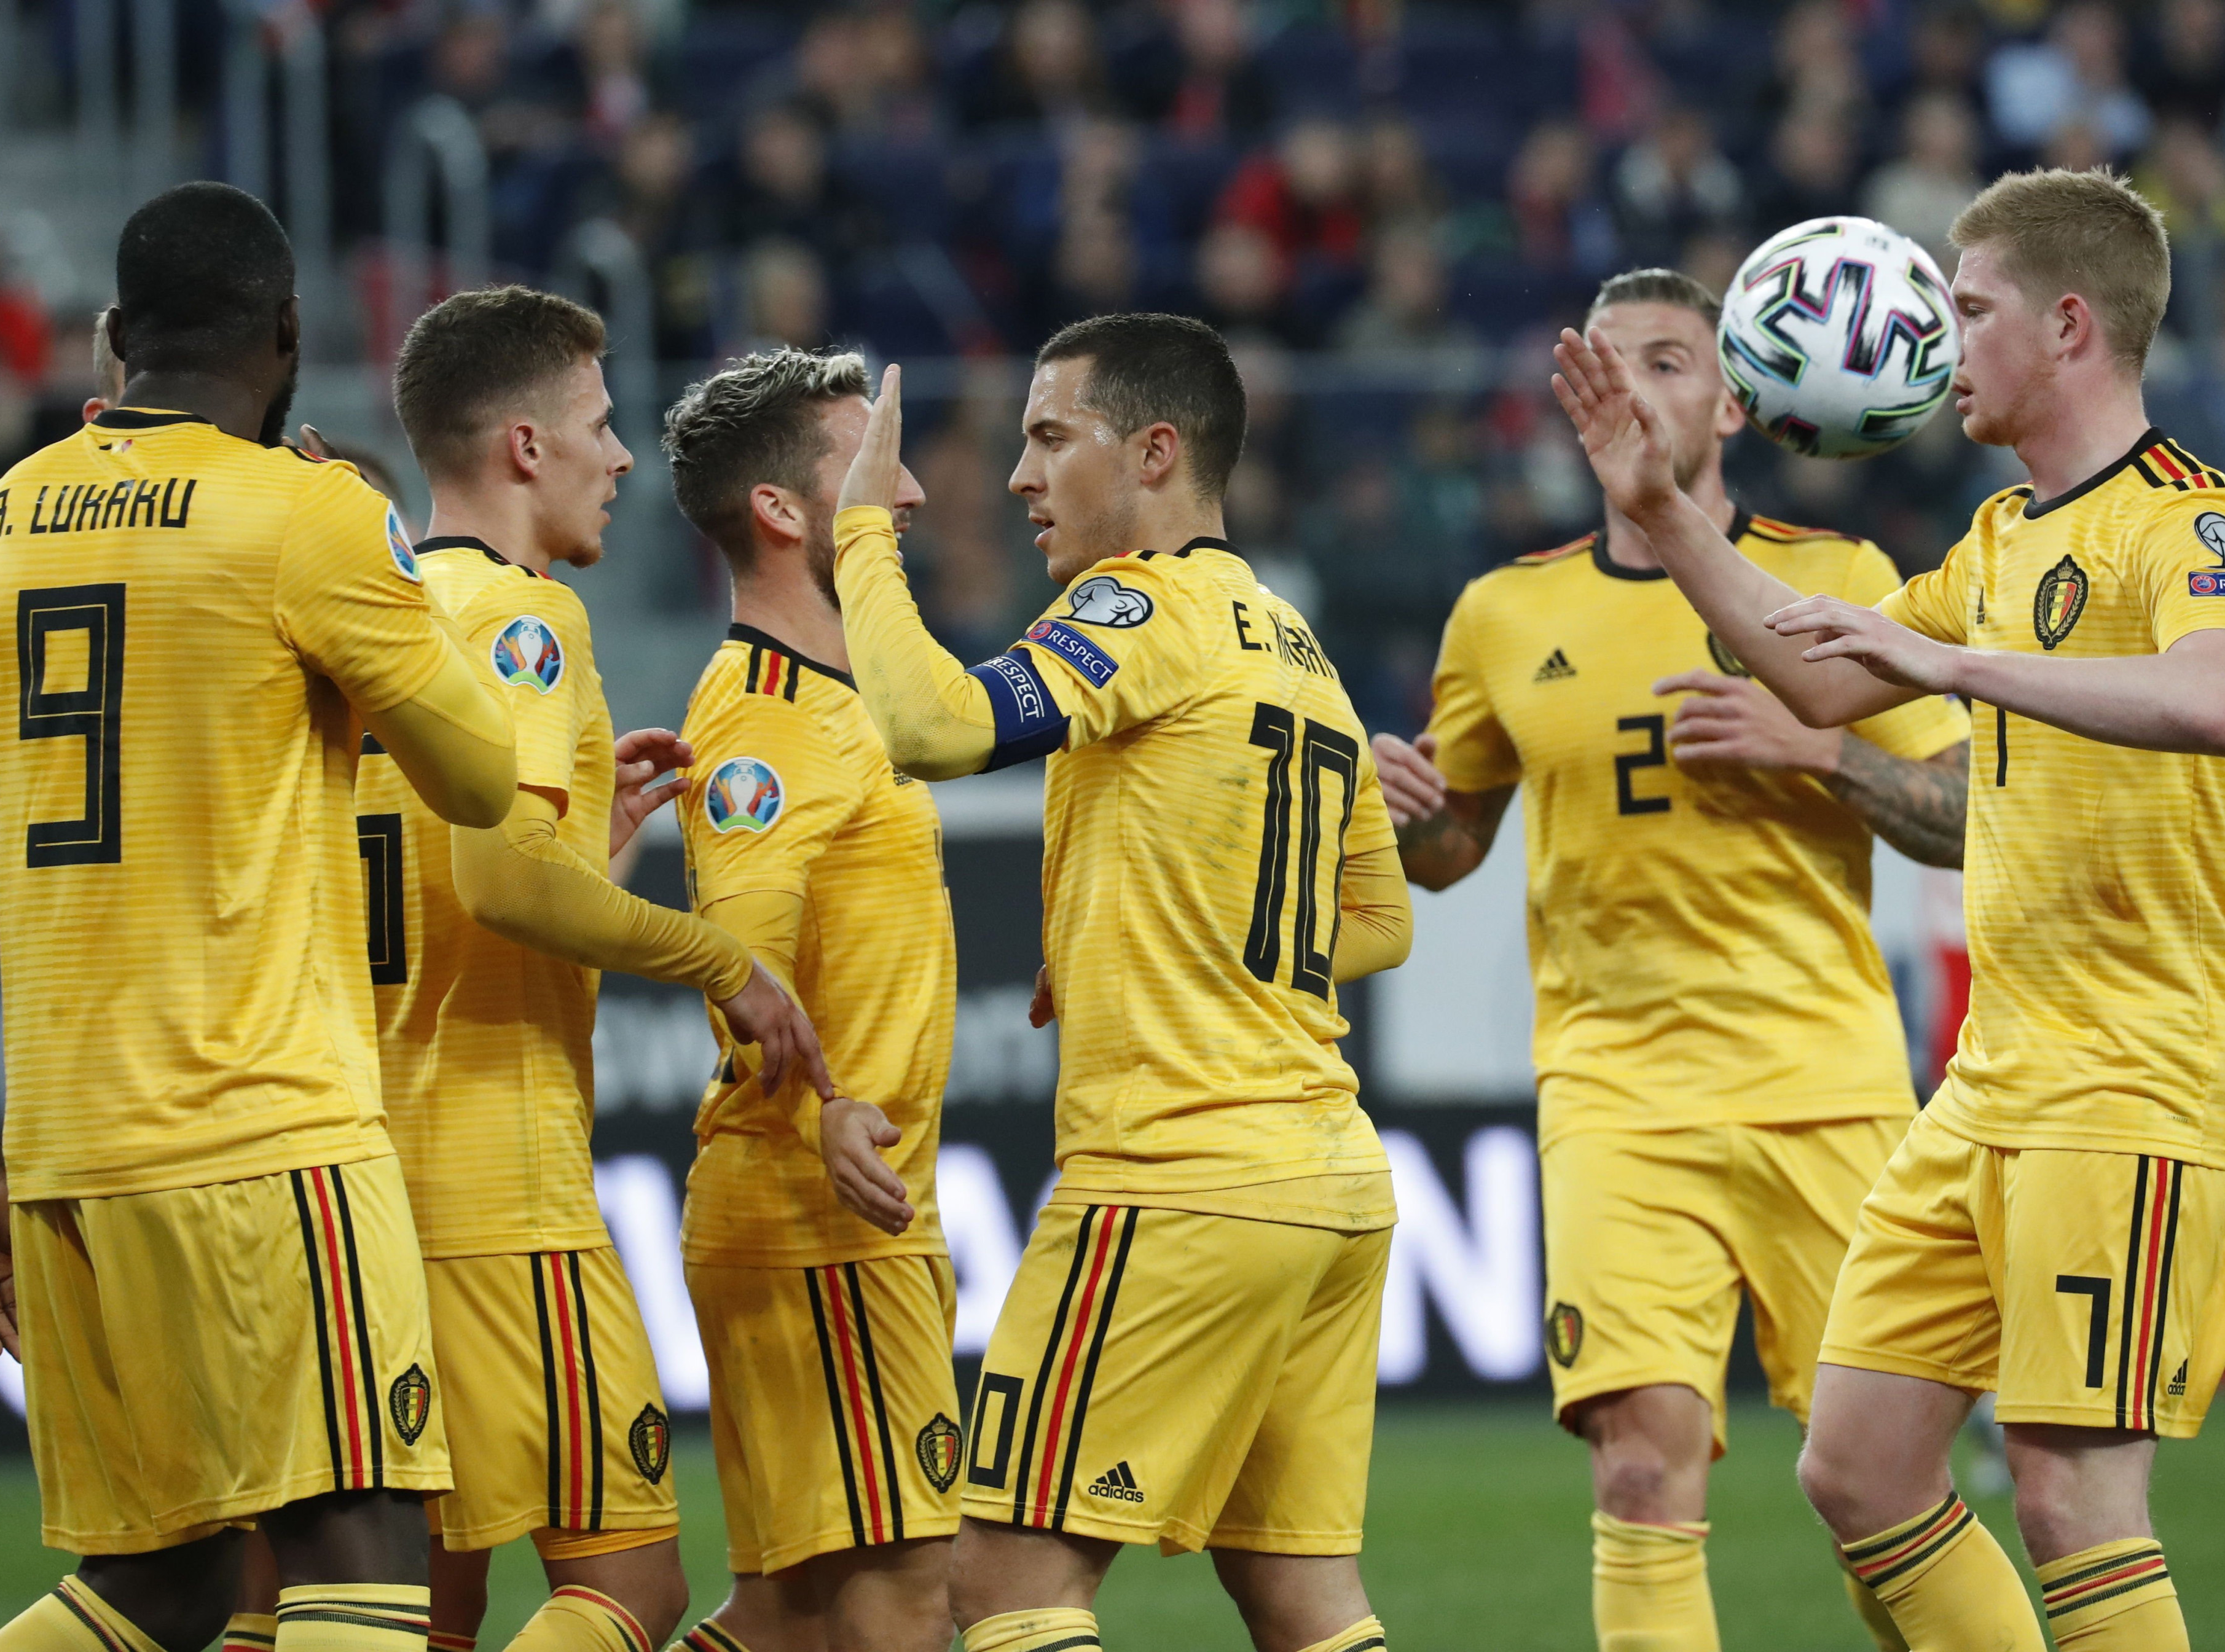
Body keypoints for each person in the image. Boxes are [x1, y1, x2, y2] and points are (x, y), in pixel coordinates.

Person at [1552, 166, 2225, 1652]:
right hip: (1992, 1076)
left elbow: (2218, 700)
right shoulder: (2003, 538)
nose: (1937, 342)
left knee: (2073, 1498)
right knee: (1858, 1466)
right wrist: (1667, 516)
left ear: (2066, 326)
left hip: (2128, 1072)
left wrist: (1959, 669)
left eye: (1967, 308)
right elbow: (1817, 676)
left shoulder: (2186, 520)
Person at [0, 181, 520, 1652]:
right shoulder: (305, 518)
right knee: (362, 1544)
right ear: (291, 334)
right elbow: (485, 774)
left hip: (62, 1153)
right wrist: (387, 570)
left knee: (162, 1583)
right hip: (258, 1129)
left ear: (113, 339)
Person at [212, 288, 831, 1652]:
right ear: (521, 447)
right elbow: (500, 884)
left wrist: (582, 848)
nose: (621, 459)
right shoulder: (519, 620)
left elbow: (456, 889)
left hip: (346, 1184)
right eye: (599, 426)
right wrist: (714, 956)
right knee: (631, 1587)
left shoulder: (356, 615)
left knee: (407, 1602)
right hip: (500, 1195)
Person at [1376, 267, 1972, 1652]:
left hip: (1825, 1084)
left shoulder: (1834, 583)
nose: (1636, 389)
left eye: (1668, 361)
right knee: (1639, 1469)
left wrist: (1815, 747)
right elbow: (1453, 848)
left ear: (1731, 403)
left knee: (1880, 1487)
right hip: (1613, 1095)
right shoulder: (1499, 615)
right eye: (1612, 363)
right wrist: (1405, 817)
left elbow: (1956, 825)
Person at [830, 313, 1412, 1652]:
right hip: (1326, 1182)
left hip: (1177, 1171)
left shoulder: (1135, 603)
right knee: (1303, 1598)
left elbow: (929, 726)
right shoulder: (1293, 641)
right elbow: (1376, 919)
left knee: (1006, 1581)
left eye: (1049, 437)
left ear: (1154, 452)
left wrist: (864, 533)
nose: (1020, 477)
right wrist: (1152, 926)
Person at [656, 348, 958, 1652]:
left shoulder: (847, 695)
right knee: (906, 1599)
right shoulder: (768, 711)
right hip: (818, 1205)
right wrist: (830, 1101)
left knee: (782, 1619)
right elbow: (739, 942)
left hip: (836, 1205)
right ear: (783, 511)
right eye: (868, 469)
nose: (910, 499)